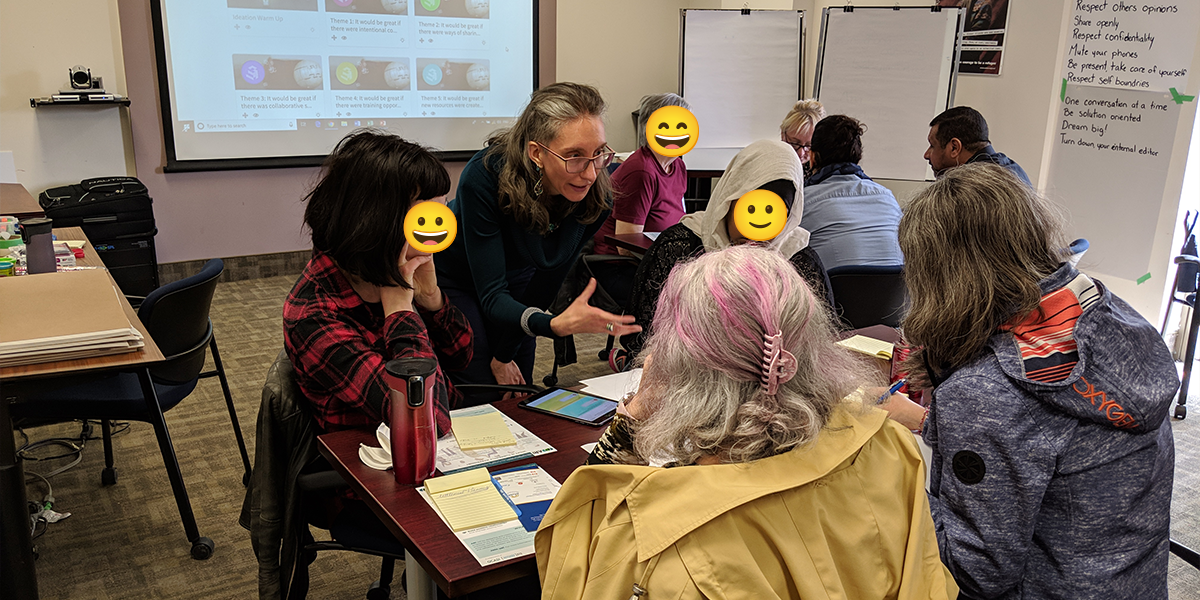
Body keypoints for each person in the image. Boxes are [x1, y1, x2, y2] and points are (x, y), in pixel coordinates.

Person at [536, 246, 958, 599]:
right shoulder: (889, 447)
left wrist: (630, 422)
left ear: (679, 372)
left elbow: (573, 563)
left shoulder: (662, 545)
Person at [879, 164, 1176, 599]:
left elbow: (975, 572)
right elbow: (1050, 446)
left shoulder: (985, 394)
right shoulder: (1108, 317)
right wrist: (933, 422)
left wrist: (890, 483)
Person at [434, 82, 640, 392]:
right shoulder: (484, 177)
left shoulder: (595, 197)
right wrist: (551, 325)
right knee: (478, 381)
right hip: (459, 277)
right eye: (574, 156)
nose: (590, 173)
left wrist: (505, 354)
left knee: (519, 382)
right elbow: (491, 294)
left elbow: (545, 281)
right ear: (537, 153)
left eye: (598, 153)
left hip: (520, 277)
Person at [284, 130, 472, 437]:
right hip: (372, 463)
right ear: (376, 220)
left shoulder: (394, 269)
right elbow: (424, 420)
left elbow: (462, 356)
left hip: (448, 438)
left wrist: (431, 299)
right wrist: (400, 311)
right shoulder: (314, 314)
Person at [619, 139, 834, 361]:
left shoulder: (800, 262)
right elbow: (639, 338)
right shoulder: (680, 248)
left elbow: (821, 348)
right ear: (729, 199)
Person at [589, 93, 692, 308]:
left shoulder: (678, 166)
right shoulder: (642, 171)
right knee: (686, 302)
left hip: (658, 260)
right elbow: (626, 245)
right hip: (620, 266)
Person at [801, 114, 903, 270]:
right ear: (858, 157)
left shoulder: (803, 202)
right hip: (895, 294)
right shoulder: (888, 198)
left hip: (830, 294)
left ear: (813, 157)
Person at [924, 106, 1031, 185]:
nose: (926, 155)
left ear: (954, 148)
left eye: (932, 146)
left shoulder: (969, 186)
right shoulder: (1014, 171)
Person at [779, 98, 826, 177]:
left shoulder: (824, 171)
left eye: (809, 146)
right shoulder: (772, 162)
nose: (801, 153)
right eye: (795, 143)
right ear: (783, 135)